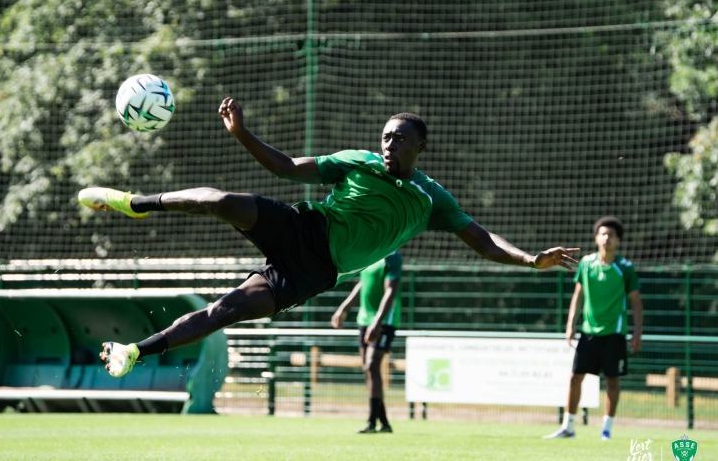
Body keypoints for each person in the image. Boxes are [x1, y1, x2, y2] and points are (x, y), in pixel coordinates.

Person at [78, 97, 579, 378]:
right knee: (221, 201)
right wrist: (242, 135)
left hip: (314, 271)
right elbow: (287, 167)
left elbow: (484, 241)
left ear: (420, 146)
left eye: (399, 138)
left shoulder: (432, 200)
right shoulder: (357, 162)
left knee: (225, 310)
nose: (388, 143)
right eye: (385, 135)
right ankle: (135, 203)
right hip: (304, 225)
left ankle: (134, 351)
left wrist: (531, 259)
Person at [544, 216, 642, 441]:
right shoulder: (586, 263)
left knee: (612, 380)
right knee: (574, 378)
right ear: (597, 237)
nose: (606, 238)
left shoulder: (625, 268)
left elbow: (636, 301)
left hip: (614, 335)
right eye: (603, 234)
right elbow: (578, 295)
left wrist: (637, 332)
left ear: (618, 240)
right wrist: (570, 325)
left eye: (611, 235)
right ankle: (568, 427)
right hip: (589, 333)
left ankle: (606, 430)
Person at [332, 251, 402, 434]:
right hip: (364, 319)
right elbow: (363, 283)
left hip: (384, 321)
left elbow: (391, 291)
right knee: (368, 369)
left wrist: (377, 323)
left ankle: (371, 421)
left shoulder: (392, 257)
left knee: (371, 366)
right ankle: (384, 422)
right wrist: (344, 308)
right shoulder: (370, 253)